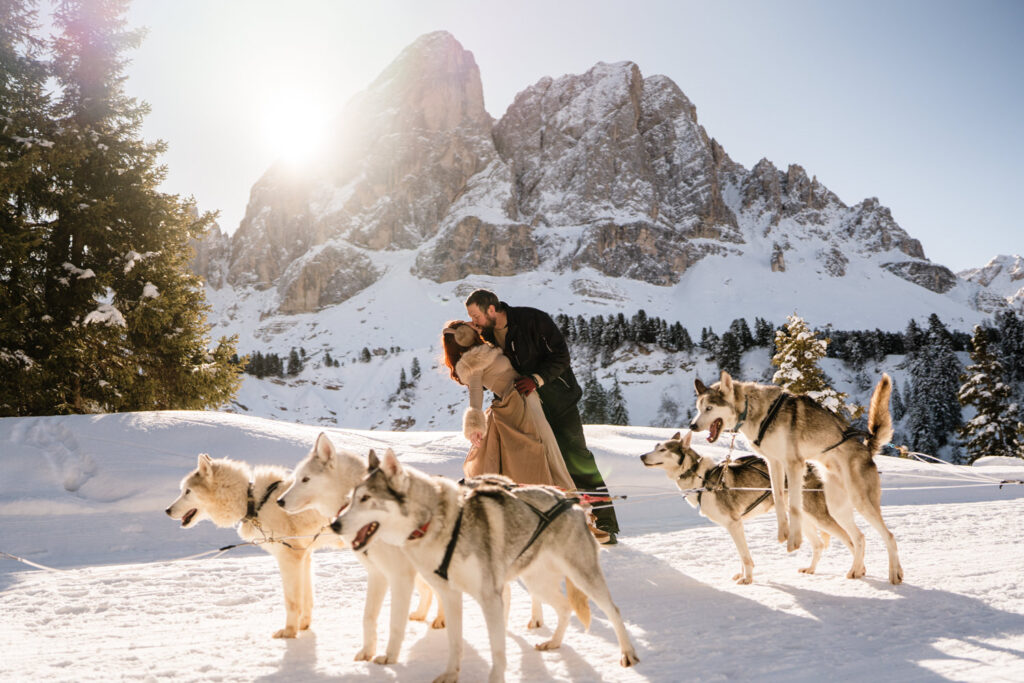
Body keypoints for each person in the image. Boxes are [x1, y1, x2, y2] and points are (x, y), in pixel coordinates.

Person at [464, 289, 621, 545]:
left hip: (559, 399)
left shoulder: (532, 320)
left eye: (475, 315)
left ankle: (605, 522)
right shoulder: (488, 335)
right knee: (534, 461)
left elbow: (561, 356)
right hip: (525, 408)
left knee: (576, 458)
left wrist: (537, 379)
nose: (474, 321)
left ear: (491, 310)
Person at [441, 321, 575, 491]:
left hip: (523, 397)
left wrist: (479, 328)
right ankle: (553, 495)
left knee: (545, 447)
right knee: (537, 448)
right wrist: (474, 424)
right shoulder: (471, 361)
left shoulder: (484, 350)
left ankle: (561, 496)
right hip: (515, 403)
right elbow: (476, 391)